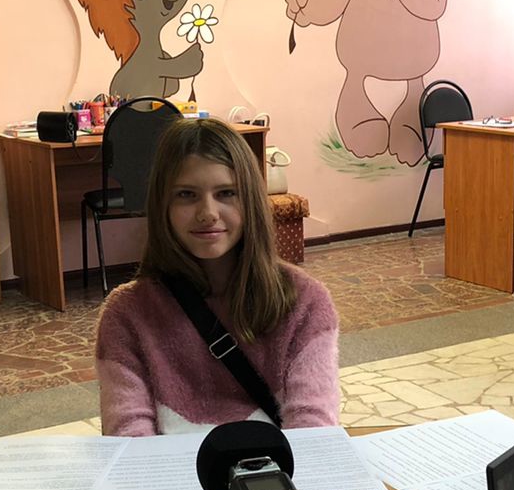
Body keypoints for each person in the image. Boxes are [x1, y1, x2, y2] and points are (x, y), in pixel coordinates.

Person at [96, 117, 339, 435]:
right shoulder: (126, 314)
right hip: (170, 469)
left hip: (280, 467)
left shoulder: (306, 302)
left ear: (251, 200)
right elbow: (128, 436)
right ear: (162, 204)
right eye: (186, 194)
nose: (208, 213)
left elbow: (313, 428)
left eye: (226, 193)